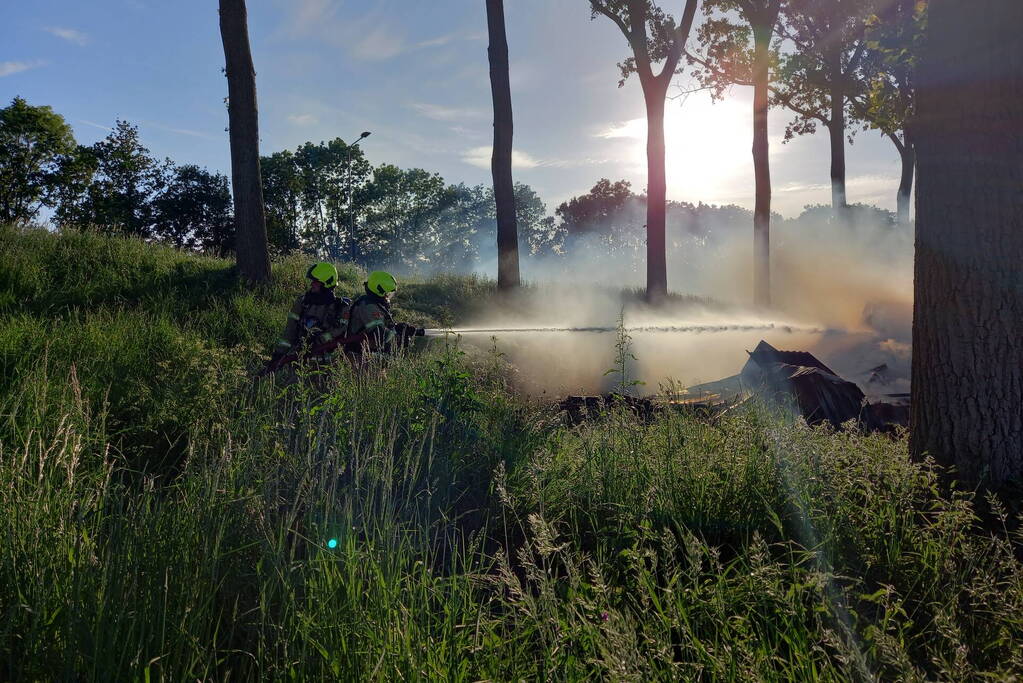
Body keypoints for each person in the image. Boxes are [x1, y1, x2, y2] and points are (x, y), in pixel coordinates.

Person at [270, 262, 351, 366]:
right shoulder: (303, 302)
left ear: (326, 283)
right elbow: (289, 331)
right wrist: (279, 354)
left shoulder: (341, 307)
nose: (311, 284)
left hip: (328, 363)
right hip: (298, 358)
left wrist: (319, 340)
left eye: (315, 281)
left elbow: (340, 330)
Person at [346, 270, 422, 356]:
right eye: (387, 293)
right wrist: (398, 338)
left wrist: (400, 328)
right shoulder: (368, 306)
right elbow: (378, 332)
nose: (388, 296)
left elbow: (383, 326)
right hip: (359, 357)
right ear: (379, 290)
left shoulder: (375, 304)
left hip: (371, 355)